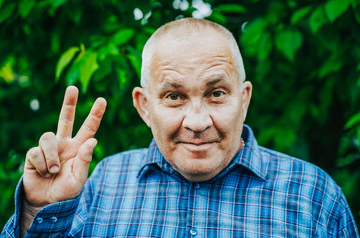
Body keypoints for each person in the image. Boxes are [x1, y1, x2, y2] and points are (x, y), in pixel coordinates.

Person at [2, 18, 359, 237]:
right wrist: (36, 211)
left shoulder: (315, 197)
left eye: (217, 93)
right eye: (174, 96)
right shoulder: (98, 186)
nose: (198, 121)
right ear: (144, 106)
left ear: (244, 98)